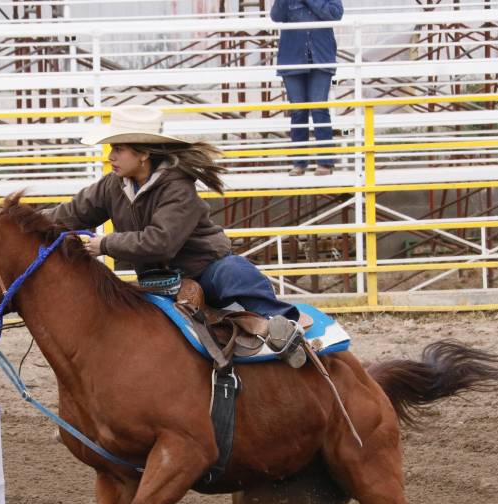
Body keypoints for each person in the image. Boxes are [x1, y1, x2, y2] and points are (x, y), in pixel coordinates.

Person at [44, 105, 307, 368]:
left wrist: (106, 244)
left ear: (143, 154)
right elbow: (70, 213)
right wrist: (19, 219)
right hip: (157, 281)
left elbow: (160, 242)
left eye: (118, 149)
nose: (111, 156)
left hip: (205, 269)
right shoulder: (112, 186)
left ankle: (284, 325)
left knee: (233, 272)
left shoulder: (178, 187)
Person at [271, 0, 344, 177]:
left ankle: (325, 162)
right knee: (298, 112)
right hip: (292, 58)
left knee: (319, 108)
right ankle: (299, 162)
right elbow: (276, 16)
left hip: (321, 57)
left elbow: (335, 14)